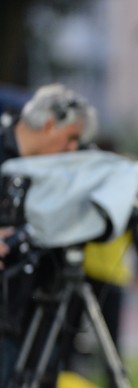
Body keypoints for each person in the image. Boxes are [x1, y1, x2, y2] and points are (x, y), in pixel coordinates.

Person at [0, 83, 96, 387]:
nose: (72, 150)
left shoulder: (58, 171)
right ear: (50, 125)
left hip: (35, 303)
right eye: (71, 139)